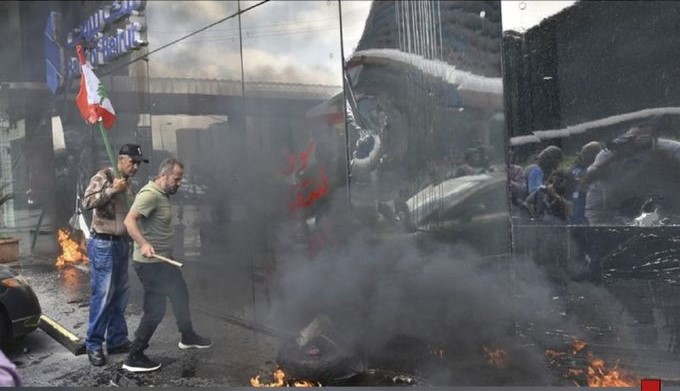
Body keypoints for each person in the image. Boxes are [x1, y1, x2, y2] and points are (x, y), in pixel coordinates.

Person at [122, 157, 212, 373]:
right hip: (150, 264)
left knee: (180, 294)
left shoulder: (162, 194)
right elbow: (129, 220)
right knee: (155, 310)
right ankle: (134, 356)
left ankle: (187, 335)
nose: (179, 183)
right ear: (164, 175)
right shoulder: (150, 195)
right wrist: (143, 244)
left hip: (164, 261)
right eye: (177, 178)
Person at [81, 143, 148, 366]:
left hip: (121, 243)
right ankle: (93, 344)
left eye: (138, 163)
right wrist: (111, 190)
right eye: (132, 162)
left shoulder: (130, 184)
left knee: (120, 294)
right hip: (103, 243)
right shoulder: (104, 176)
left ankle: (117, 339)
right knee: (102, 295)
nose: (136, 167)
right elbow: (87, 201)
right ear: (120, 160)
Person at [569, 141, 602, 224]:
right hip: (573, 214)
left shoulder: (598, 172)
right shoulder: (575, 169)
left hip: (588, 215)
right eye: (582, 152)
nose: (581, 155)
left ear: (596, 154)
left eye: (585, 153)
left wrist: (580, 185)